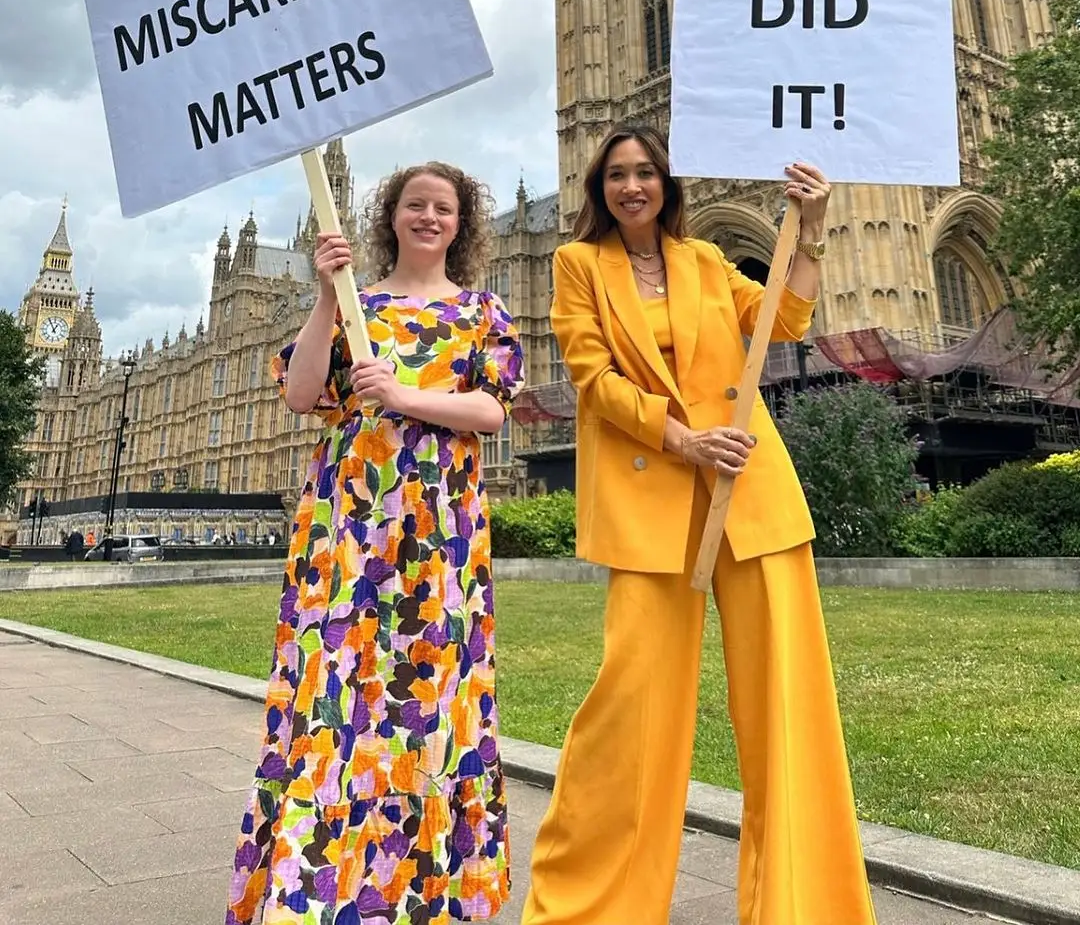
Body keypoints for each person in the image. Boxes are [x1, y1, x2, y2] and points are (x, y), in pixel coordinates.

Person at [521, 125, 876, 925]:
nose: (632, 185)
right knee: (632, 708)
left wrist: (810, 227)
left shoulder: (707, 261)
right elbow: (592, 376)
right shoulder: (577, 266)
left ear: (666, 183)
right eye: (617, 174)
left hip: (749, 491)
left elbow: (785, 318)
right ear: (599, 189)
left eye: (645, 171)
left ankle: (803, 906)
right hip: (653, 496)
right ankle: (594, 906)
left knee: (787, 703)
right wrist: (680, 437)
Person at [227, 161, 525, 925]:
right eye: (415, 204)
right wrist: (329, 293)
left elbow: (492, 410)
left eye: (445, 207)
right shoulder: (355, 301)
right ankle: (315, 891)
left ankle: (424, 890)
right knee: (335, 694)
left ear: (463, 224)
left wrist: (399, 395)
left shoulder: (483, 310)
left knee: (430, 703)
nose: (429, 216)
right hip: (350, 528)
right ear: (390, 214)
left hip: (439, 534)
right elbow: (301, 395)